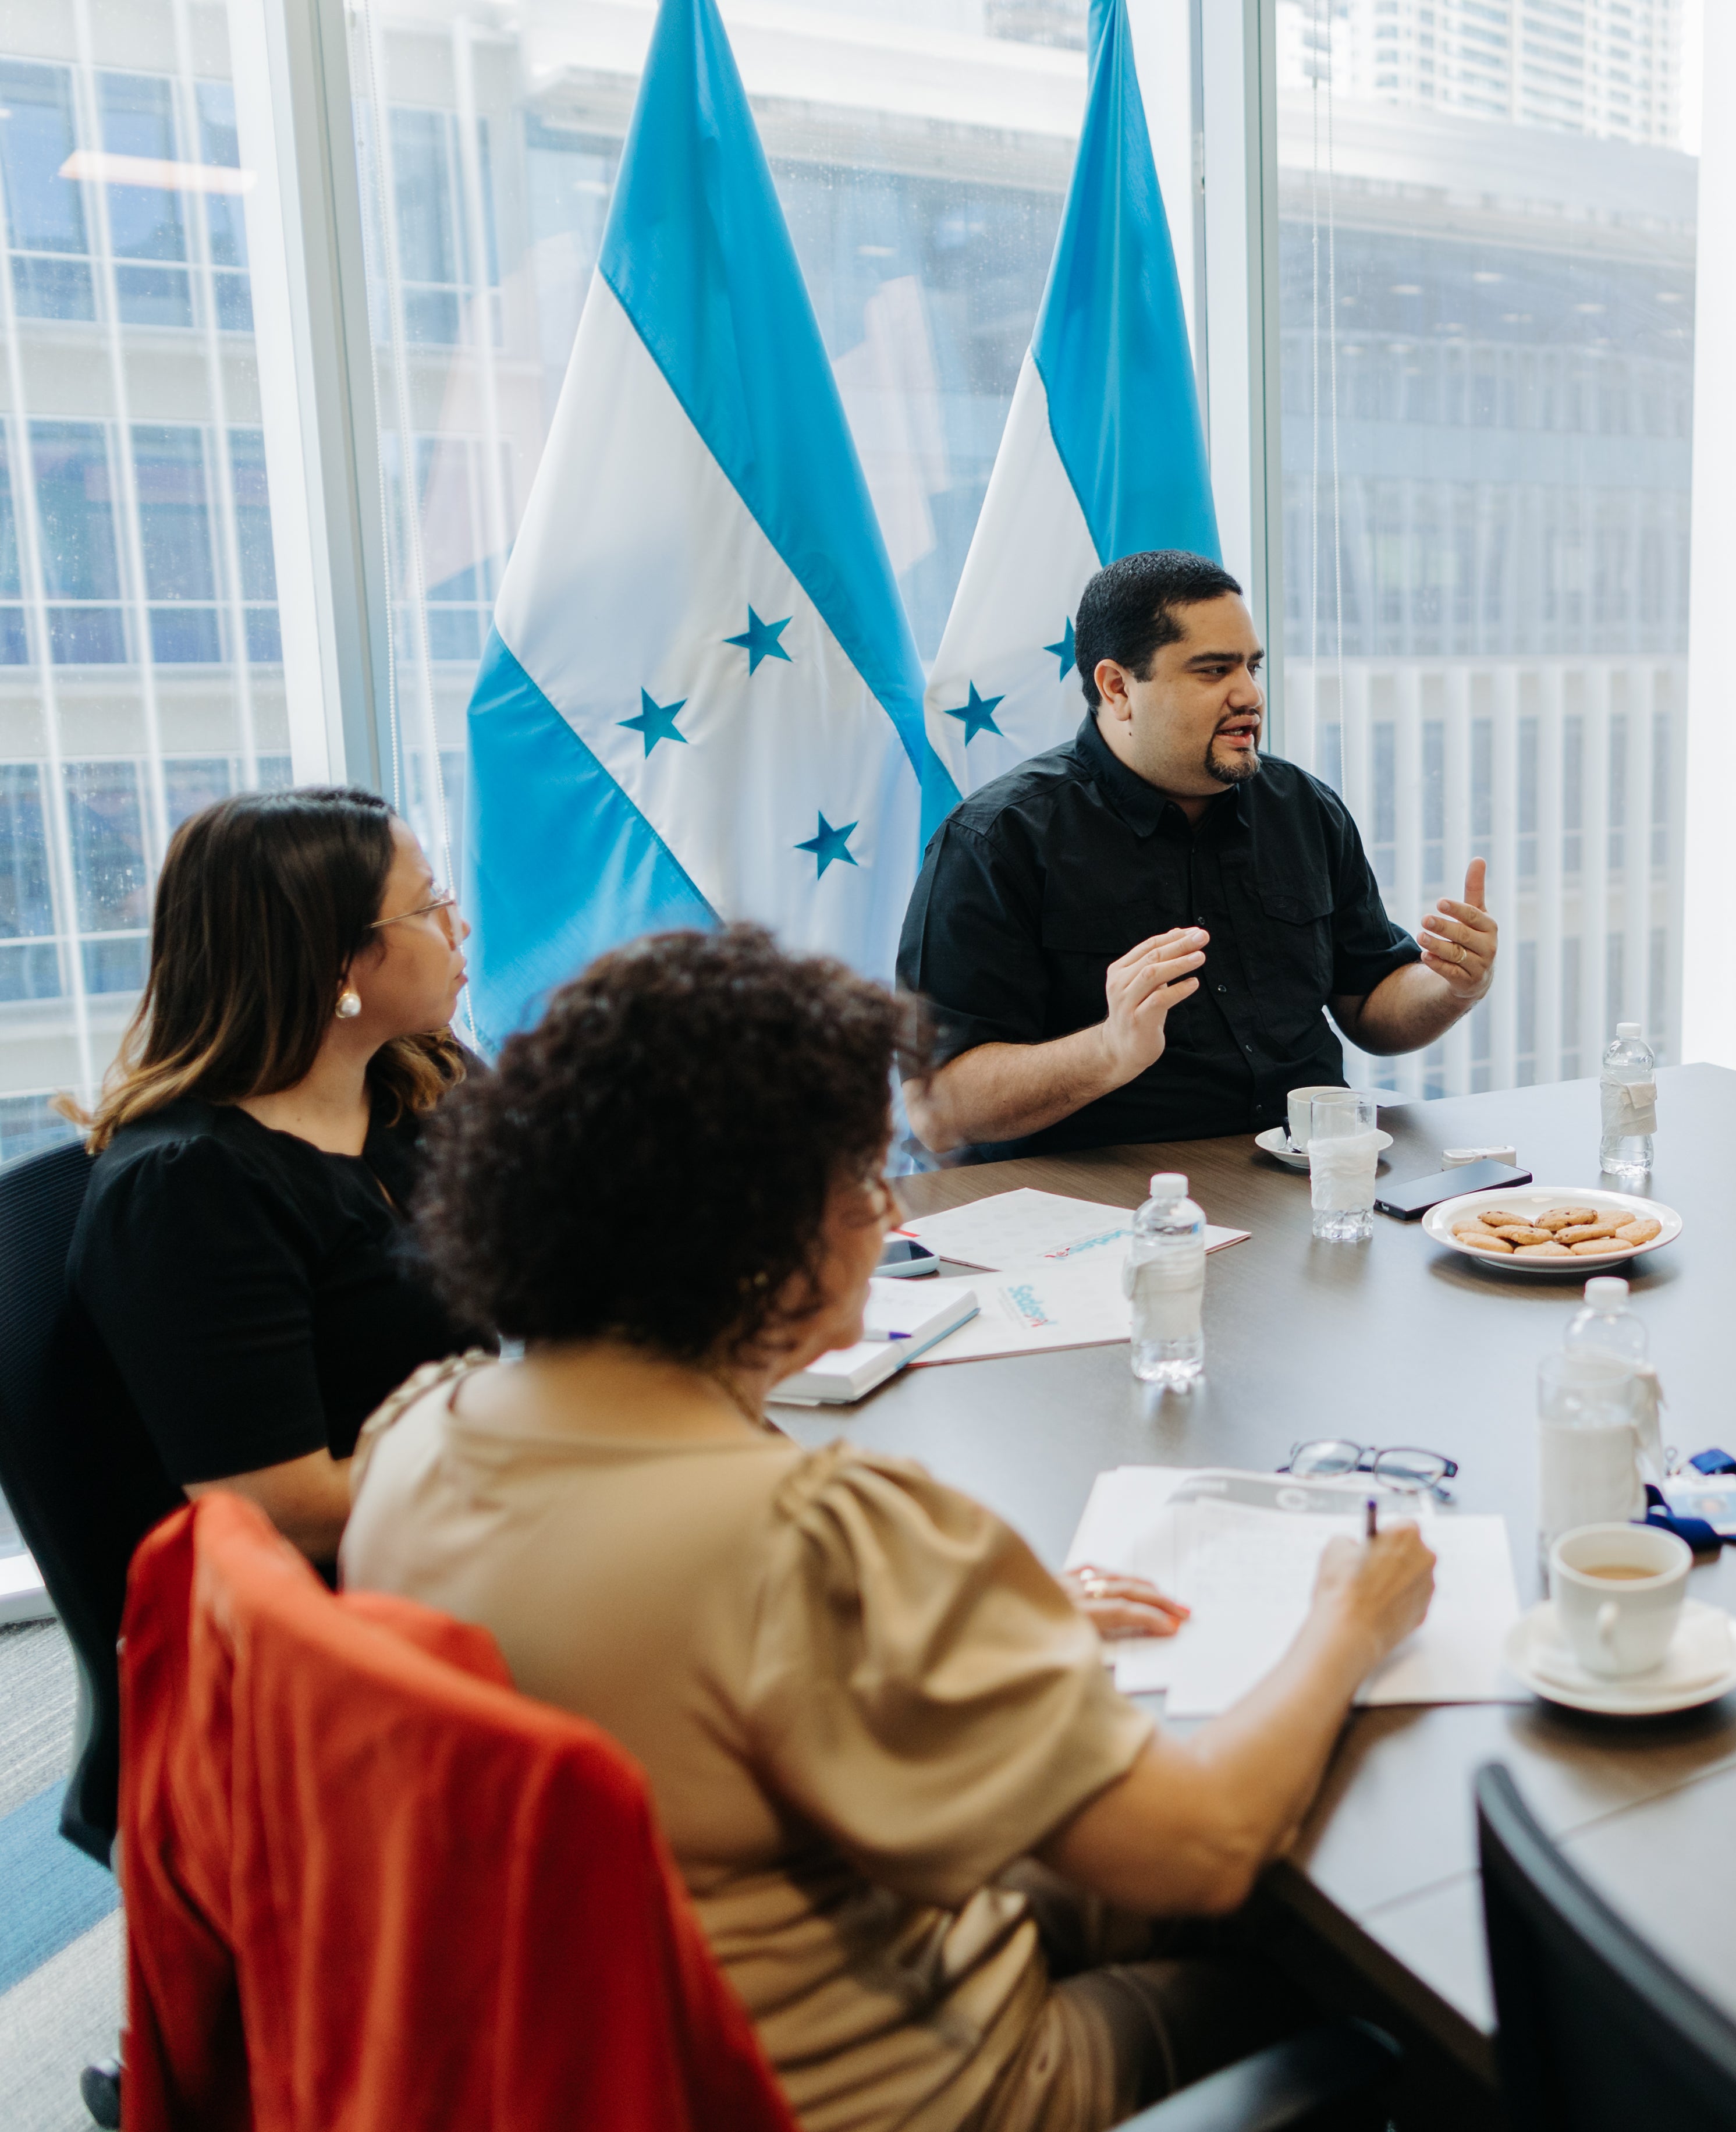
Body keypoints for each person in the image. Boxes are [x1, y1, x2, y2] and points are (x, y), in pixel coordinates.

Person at [340, 925, 1437, 2132]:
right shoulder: (812, 1535)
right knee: (1368, 1997)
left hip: (594, 2056)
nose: (887, 1213)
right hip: (918, 2087)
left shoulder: (413, 1432)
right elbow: (1206, 1845)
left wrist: (930, 1634)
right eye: (866, 1182)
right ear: (761, 1242)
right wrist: (1348, 1621)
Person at [897, 549, 1494, 1159]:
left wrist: (1449, 986)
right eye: (1213, 671)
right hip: (1110, 1210)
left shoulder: (1303, 807)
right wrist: (1107, 1051)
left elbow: (1369, 1003)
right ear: (1118, 687)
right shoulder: (997, 838)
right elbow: (939, 1108)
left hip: (1312, 1181)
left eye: (1251, 668)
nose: (1249, 696)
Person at [66, 786, 478, 1565]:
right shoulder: (189, 1192)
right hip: (325, 1622)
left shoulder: (414, 1081)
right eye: (426, 908)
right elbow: (290, 1518)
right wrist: (542, 1442)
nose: (459, 927)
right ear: (333, 962)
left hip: (453, 1538)